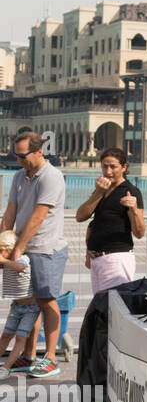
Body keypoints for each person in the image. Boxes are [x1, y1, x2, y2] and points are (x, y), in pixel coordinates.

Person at [1, 133, 67, 378]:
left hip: (47, 248)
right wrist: (2, 245)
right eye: (16, 155)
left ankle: (50, 358)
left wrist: (18, 249)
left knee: (46, 299)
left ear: (39, 151)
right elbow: (9, 214)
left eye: (22, 155)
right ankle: (28, 356)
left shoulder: (52, 177)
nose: (19, 160)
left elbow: (38, 216)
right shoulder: (19, 176)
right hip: (26, 248)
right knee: (28, 302)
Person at [76, 147, 145, 294]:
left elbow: (139, 233)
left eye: (113, 167)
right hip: (97, 260)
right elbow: (81, 217)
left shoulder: (131, 191)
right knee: (101, 309)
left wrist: (134, 210)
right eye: (104, 166)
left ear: (124, 167)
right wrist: (89, 253)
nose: (108, 172)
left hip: (116, 259)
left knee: (112, 307)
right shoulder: (100, 190)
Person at [0, 229, 42, 377]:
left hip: (31, 308)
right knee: (6, 335)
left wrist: (4, 260)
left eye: (1, 250)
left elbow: (19, 267)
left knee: (20, 338)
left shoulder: (23, 259)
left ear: (10, 249)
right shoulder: (6, 262)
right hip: (16, 306)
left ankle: (6, 367)